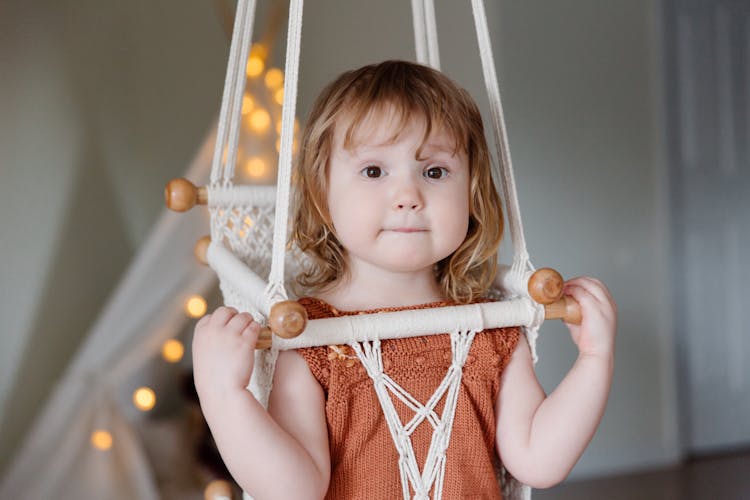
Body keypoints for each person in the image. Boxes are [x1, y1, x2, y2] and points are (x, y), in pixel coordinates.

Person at [192, 60, 617, 499]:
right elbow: (294, 490)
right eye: (374, 171)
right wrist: (225, 396)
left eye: (434, 172)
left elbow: (539, 461)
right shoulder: (307, 339)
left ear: (471, 193)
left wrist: (594, 359)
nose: (408, 197)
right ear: (322, 194)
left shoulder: (491, 331)